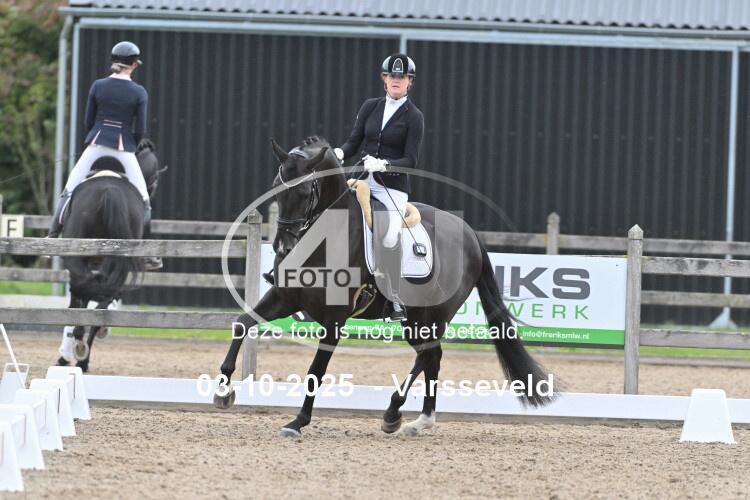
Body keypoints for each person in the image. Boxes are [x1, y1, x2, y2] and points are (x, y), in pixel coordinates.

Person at [48, 41, 161, 269]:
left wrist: (96, 138)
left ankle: (52, 237)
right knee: (144, 199)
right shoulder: (139, 92)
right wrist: (130, 143)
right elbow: (140, 129)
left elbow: (88, 120)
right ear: (134, 64)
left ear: (113, 62)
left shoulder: (98, 85)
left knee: (69, 189)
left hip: (97, 143)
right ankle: (147, 253)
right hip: (124, 148)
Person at [335, 53, 425, 322]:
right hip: (362, 179)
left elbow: (411, 160)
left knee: (388, 236)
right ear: (384, 79)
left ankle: (393, 297)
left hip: (392, 187)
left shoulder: (414, 117)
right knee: (331, 215)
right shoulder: (370, 107)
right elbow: (354, 141)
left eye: (402, 77)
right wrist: (340, 153)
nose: (396, 80)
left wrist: (385, 165)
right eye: (392, 76)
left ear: (409, 82)